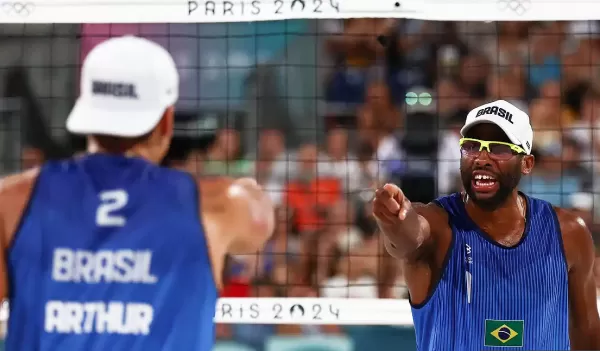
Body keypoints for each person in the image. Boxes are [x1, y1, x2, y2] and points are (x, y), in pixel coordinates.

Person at [0, 36, 275, 351]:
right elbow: (260, 220)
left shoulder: (12, 201)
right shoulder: (217, 205)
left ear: (86, 108)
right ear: (166, 120)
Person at [373, 99, 600, 350]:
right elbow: (408, 238)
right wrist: (394, 221)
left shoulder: (569, 233)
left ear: (526, 163)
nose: (482, 158)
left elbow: (587, 333)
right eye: (472, 146)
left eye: (498, 148)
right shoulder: (439, 225)